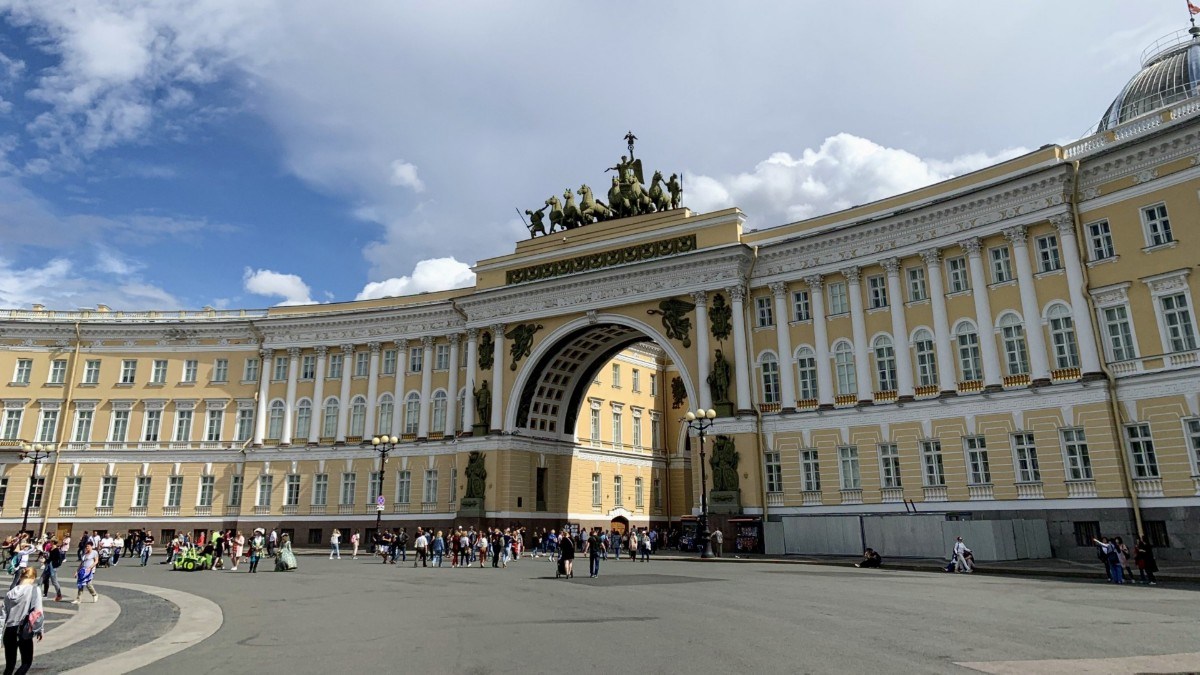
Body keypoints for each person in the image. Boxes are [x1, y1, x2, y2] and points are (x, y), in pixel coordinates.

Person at [3, 567, 44, 675]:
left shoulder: (10, 593)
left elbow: (2, 616)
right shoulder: (34, 590)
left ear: (21, 577)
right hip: (23, 629)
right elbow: (38, 612)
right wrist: (40, 630)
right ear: (33, 578)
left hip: (9, 630)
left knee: (9, 665)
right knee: (26, 662)